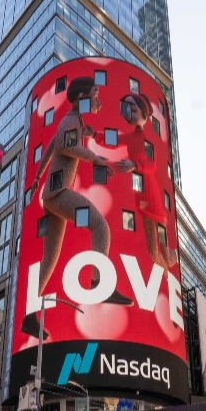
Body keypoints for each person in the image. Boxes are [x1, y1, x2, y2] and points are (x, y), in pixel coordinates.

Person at [21, 76, 132, 339]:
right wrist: (95, 157)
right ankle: (98, 283)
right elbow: (64, 145)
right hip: (59, 194)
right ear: (82, 99)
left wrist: (37, 178)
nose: (99, 99)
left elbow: (50, 147)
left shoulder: (74, 122)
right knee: (100, 226)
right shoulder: (70, 121)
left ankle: (28, 316)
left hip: (52, 195)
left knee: (51, 257)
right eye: (95, 93)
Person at [114, 92, 175, 270]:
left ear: (144, 114)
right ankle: (164, 276)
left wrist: (133, 164)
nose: (127, 112)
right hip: (142, 200)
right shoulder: (132, 136)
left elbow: (151, 165)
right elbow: (113, 140)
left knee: (164, 255)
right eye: (126, 108)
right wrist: (93, 134)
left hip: (153, 199)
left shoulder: (147, 138)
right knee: (154, 254)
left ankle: (172, 262)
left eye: (132, 108)